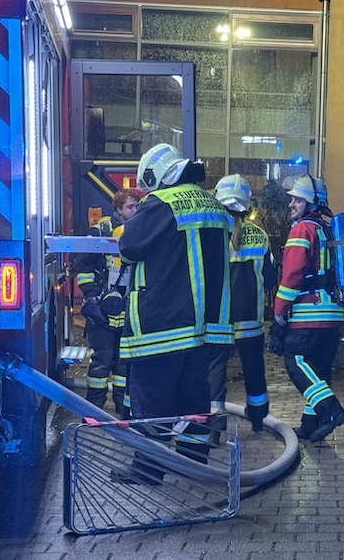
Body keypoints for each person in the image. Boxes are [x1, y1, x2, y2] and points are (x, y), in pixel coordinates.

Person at [117, 143, 232, 471]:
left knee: (152, 403)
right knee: (193, 402)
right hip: (203, 329)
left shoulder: (160, 204)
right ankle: (194, 463)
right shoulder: (213, 204)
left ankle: (148, 469)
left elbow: (128, 248)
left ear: (158, 175)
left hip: (161, 328)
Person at [273, 174, 344, 443]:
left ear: (311, 203)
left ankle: (331, 411)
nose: (291, 204)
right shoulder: (327, 229)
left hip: (308, 313)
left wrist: (279, 310)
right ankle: (310, 424)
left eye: (297, 200)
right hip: (332, 314)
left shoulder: (302, 229)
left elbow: (292, 275)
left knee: (296, 361)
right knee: (318, 368)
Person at [208, 174, 277, 433]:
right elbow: (270, 279)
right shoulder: (260, 235)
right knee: (254, 370)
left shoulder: (212, 234)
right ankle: (258, 418)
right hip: (250, 320)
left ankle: (214, 425)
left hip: (219, 320)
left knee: (215, 372)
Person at [74, 188, 141, 418]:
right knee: (101, 360)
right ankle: (94, 407)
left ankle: (123, 407)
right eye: (130, 207)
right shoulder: (100, 232)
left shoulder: (139, 231)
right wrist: (93, 296)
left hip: (128, 309)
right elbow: (83, 267)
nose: (135, 211)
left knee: (124, 362)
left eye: (137, 206)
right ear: (118, 209)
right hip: (102, 310)